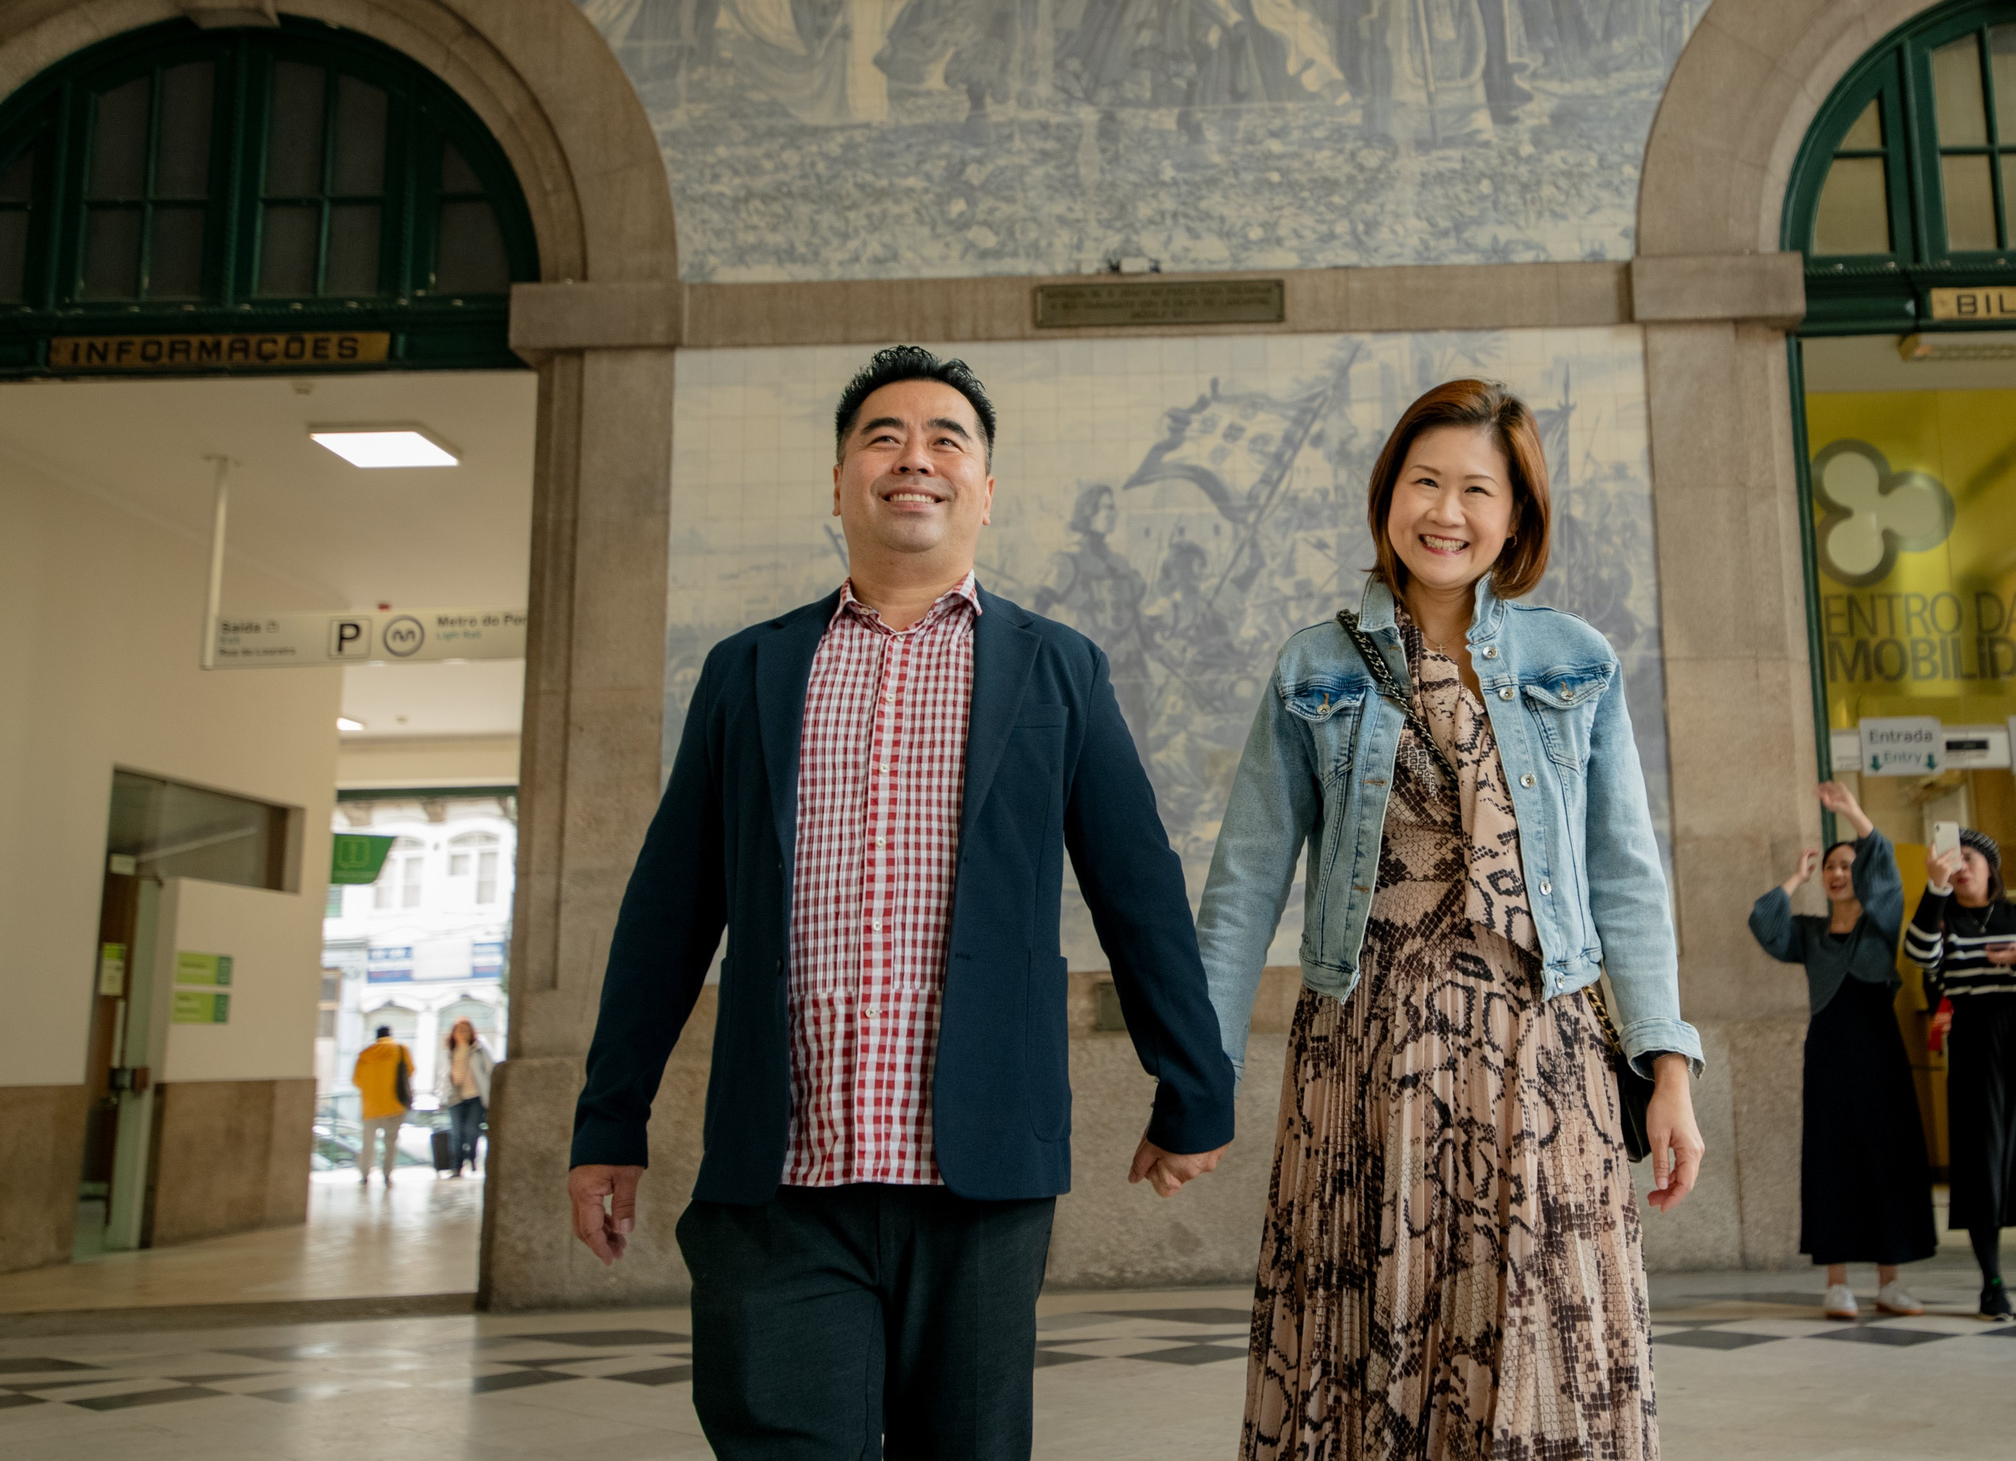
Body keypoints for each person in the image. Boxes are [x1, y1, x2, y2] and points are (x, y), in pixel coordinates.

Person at [568, 345, 1235, 1461]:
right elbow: (666, 914)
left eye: (945, 440)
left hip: (978, 1176)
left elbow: (1138, 887)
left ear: (984, 490)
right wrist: (608, 1122)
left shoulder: (1057, 669)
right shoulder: (750, 672)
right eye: (881, 437)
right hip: (780, 1176)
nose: (912, 458)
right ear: (838, 484)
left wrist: (1194, 1083)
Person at [1196, 378, 1705, 1459]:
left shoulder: (1575, 662)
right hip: (1364, 1053)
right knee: (1367, 1333)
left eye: (1478, 488)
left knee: (1542, 1329)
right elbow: (1244, 884)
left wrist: (1666, 1065)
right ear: (1388, 498)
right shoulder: (1314, 669)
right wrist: (1194, 1077)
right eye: (1424, 481)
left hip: (1543, 1054)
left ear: (1515, 516)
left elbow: (1625, 876)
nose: (1447, 510)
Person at [1747, 780, 1936, 1318]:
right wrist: (1794, 879)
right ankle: (1837, 1283)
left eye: (1846, 866)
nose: (1836, 874)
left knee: (1887, 1159)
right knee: (1833, 1162)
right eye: (1829, 868)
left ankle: (1891, 1280)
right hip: (1828, 1057)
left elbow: (1888, 876)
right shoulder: (1808, 933)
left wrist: (1853, 812)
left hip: (1881, 1055)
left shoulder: (1881, 924)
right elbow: (1763, 921)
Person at [1903, 827, 2016, 1322]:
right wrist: (1934, 890)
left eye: (1969, 859)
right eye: (1951, 860)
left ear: (1989, 867)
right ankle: (1992, 1285)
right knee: (1983, 1165)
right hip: (1975, 1044)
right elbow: (1919, 955)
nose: (1961, 867)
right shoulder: (1941, 916)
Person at [351, 1025, 411, 1188]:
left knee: (368, 1143)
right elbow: (410, 1071)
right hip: (394, 1105)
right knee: (390, 1142)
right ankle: (387, 1173)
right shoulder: (400, 1050)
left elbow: (356, 1080)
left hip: (370, 1107)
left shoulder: (365, 1055)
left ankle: (364, 1174)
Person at [444, 1019, 493, 1178]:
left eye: (466, 1030)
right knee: (457, 1132)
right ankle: (456, 1166)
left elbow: (490, 1068)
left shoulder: (478, 1049)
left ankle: (471, 1160)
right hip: (455, 1097)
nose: (462, 1033)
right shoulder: (450, 1051)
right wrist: (442, 1094)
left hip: (475, 1096)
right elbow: (443, 1074)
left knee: (472, 1131)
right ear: (453, 1033)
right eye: (459, 1030)